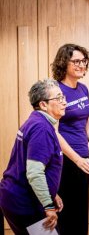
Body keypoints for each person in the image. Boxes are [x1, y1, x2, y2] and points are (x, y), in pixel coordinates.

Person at [51, 43, 89, 235]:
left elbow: (88, 122)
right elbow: (53, 132)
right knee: (64, 213)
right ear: (63, 63)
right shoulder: (55, 91)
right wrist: (76, 159)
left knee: (80, 214)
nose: (81, 65)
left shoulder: (83, 89)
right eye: (76, 61)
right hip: (63, 160)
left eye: (84, 61)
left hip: (83, 158)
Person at [0, 79, 66, 234]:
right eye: (58, 98)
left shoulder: (37, 122)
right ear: (43, 104)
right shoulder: (41, 128)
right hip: (23, 201)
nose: (64, 102)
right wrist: (48, 206)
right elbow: (35, 173)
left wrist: (52, 193)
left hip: (16, 197)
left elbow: (32, 164)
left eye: (63, 97)